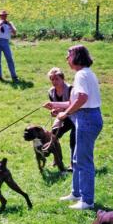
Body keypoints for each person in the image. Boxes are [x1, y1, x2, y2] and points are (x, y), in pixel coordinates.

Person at [44, 45, 103, 210]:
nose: (66, 59)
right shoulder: (84, 74)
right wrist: (54, 104)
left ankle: (87, 201)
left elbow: (82, 98)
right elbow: (74, 101)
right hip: (86, 117)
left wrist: (65, 113)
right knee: (77, 159)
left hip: (87, 119)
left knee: (84, 161)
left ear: (77, 56)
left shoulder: (81, 75)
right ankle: (76, 193)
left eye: (68, 55)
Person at [47, 67, 75, 171]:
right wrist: (54, 112)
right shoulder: (51, 92)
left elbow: (75, 105)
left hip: (74, 117)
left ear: (62, 79)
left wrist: (63, 112)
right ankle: (57, 160)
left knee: (74, 140)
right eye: (52, 79)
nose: (54, 81)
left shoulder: (71, 89)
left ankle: (73, 164)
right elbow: (56, 108)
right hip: (62, 117)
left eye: (57, 79)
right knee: (53, 136)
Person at [0, 10, 18, 82]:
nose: (4, 17)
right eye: (2, 15)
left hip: (6, 42)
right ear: (0, 16)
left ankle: (14, 76)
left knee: (10, 59)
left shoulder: (10, 23)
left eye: (5, 15)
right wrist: (0, 25)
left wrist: (10, 25)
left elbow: (15, 33)